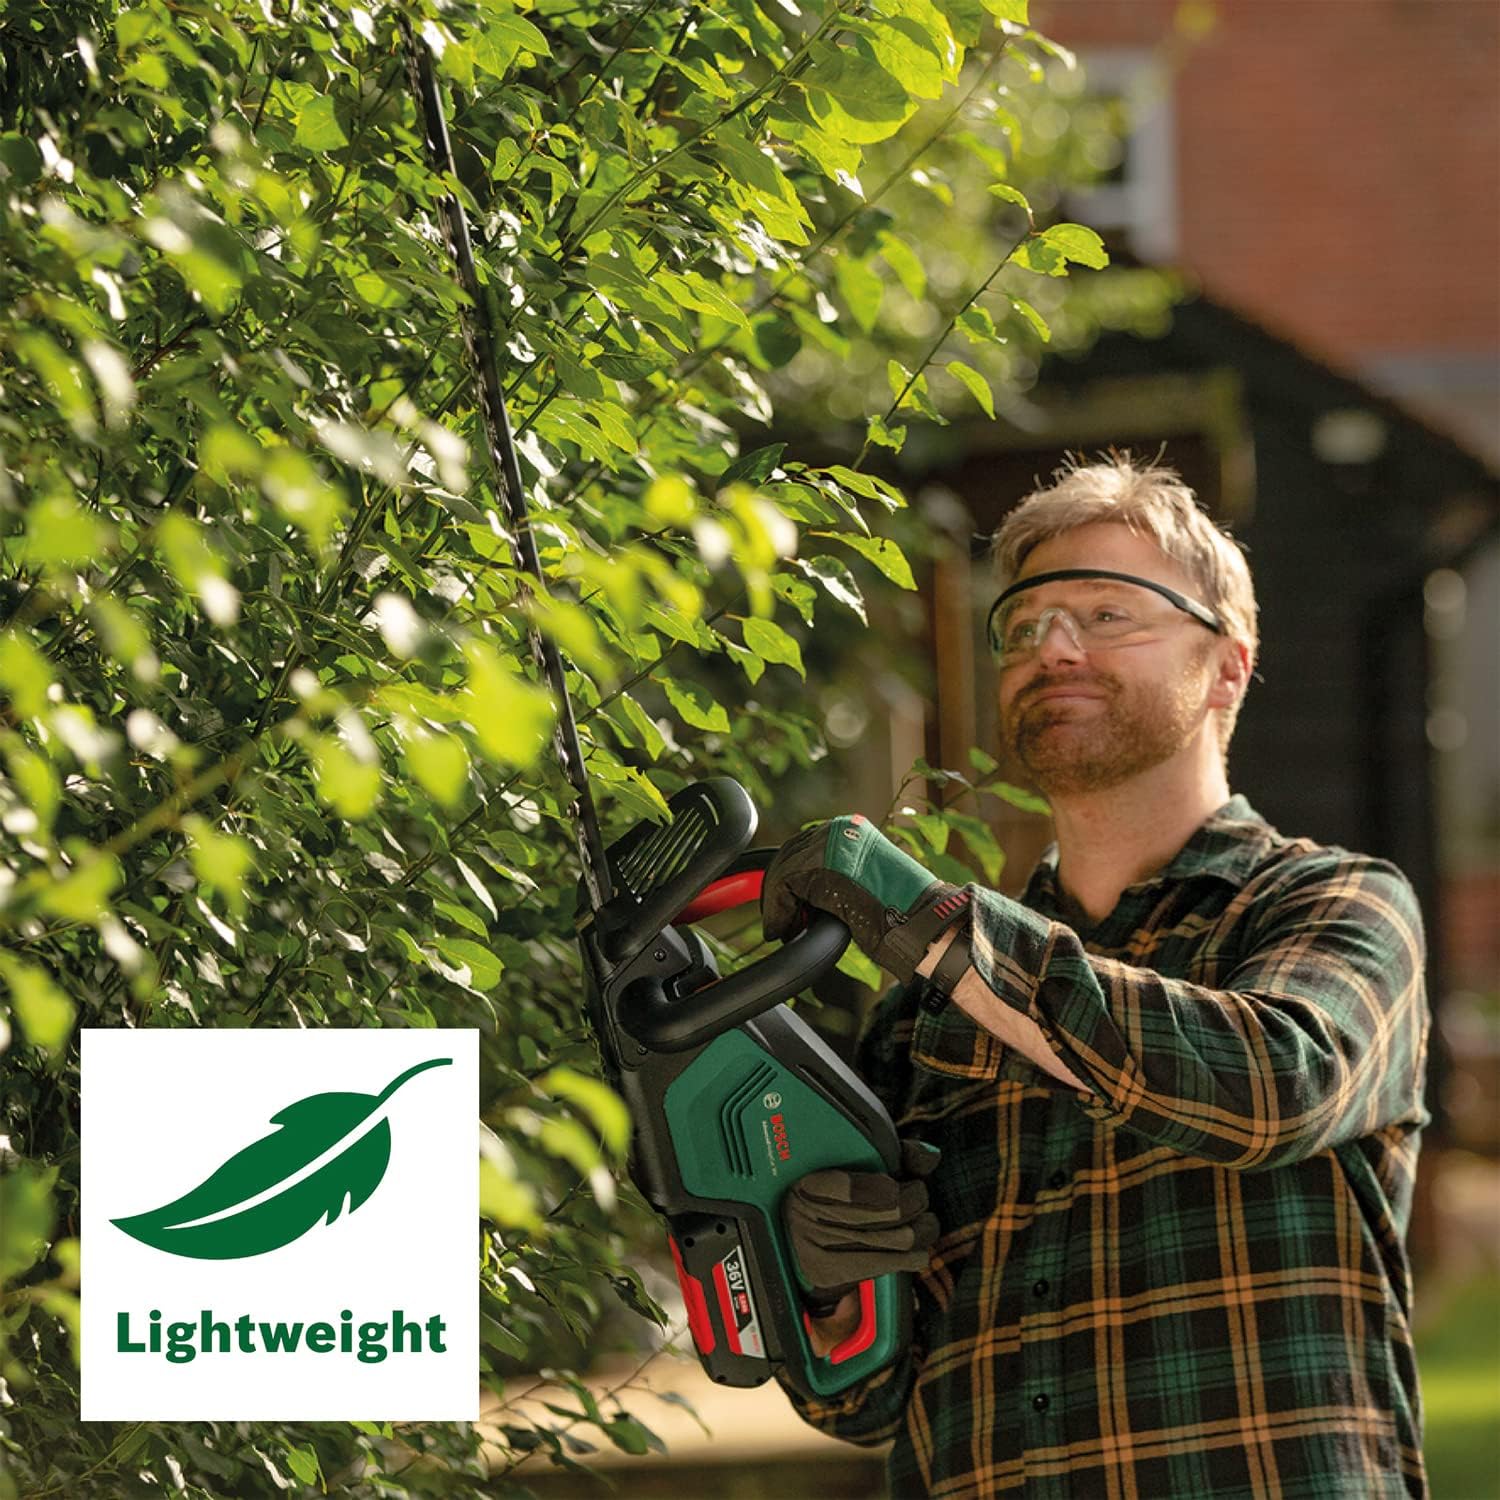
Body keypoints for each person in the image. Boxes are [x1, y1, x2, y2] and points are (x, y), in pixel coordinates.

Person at [762, 455, 1430, 1499]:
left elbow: (1271, 1088)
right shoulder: (924, 1013)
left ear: (1228, 667)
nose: (1053, 647)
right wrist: (826, 1287)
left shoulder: (1334, 905)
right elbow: (862, 1402)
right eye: (1023, 627)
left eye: (1107, 614)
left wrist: (939, 929)